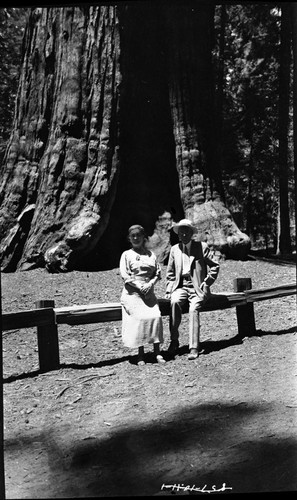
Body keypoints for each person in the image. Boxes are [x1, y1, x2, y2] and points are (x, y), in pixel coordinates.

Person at [165, 218, 220, 360]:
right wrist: (169, 290)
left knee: (194, 308)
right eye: (181, 232)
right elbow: (170, 274)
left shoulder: (201, 247)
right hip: (180, 286)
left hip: (197, 287)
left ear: (191, 233)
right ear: (178, 234)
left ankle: (194, 347)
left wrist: (207, 283)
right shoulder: (174, 250)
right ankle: (174, 341)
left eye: (186, 232)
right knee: (174, 302)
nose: (183, 235)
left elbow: (214, 266)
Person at [119, 224, 165, 366]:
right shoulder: (126, 254)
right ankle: (141, 355)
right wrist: (139, 285)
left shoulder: (151, 255)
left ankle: (157, 352)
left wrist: (150, 284)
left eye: (138, 235)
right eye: (133, 235)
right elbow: (125, 275)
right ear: (129, 238)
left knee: (156, 316)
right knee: (139, 319)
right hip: (133, 292)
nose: (135, 238)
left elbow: (158, 273)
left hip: (148, 292)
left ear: (143, 237)